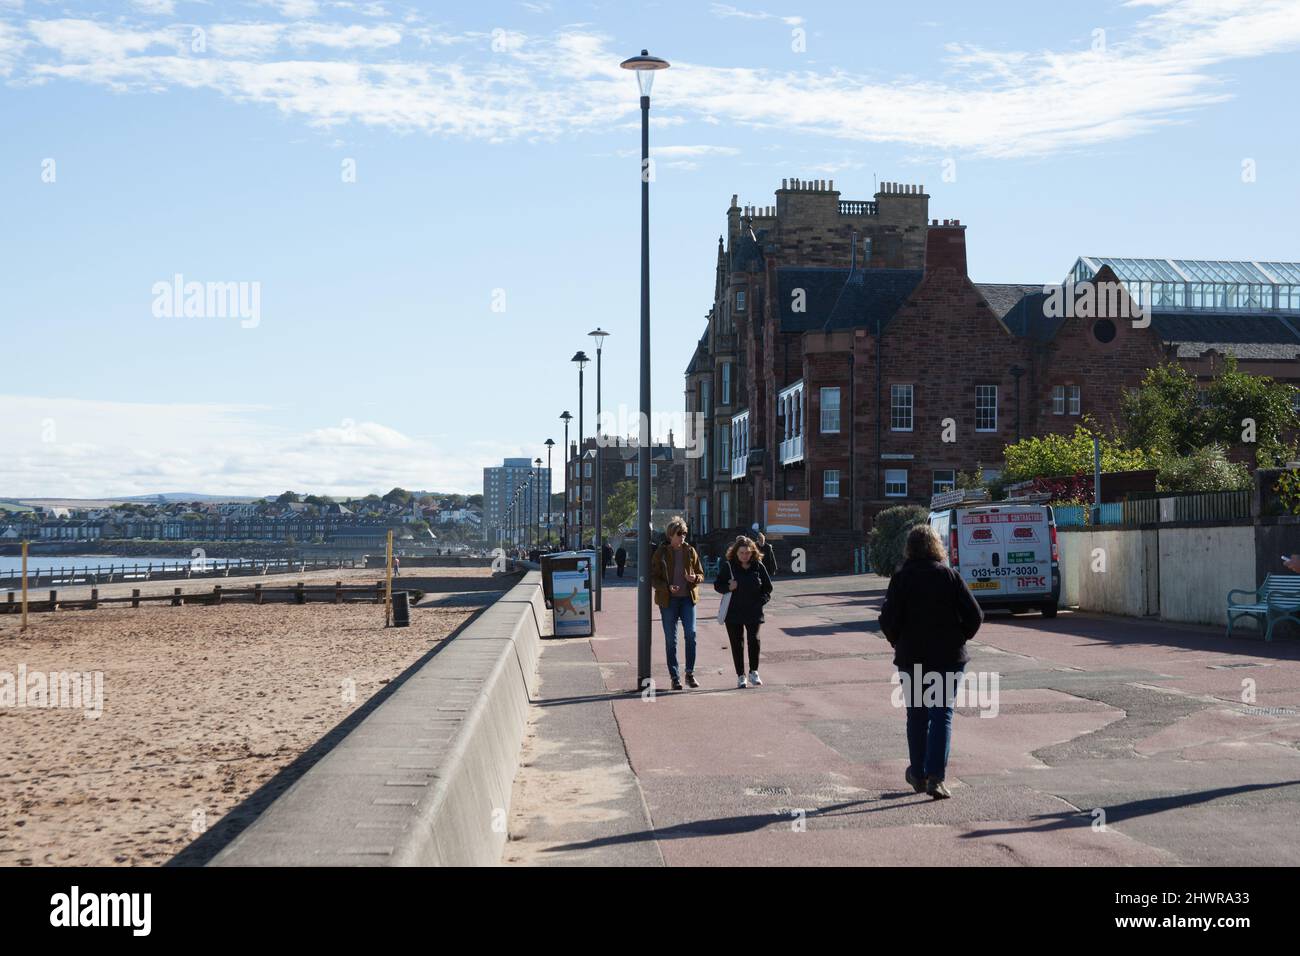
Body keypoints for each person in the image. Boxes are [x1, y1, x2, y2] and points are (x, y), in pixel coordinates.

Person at [879, 524, 982, 800]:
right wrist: (960, 637)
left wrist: (896, 641)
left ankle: (919, 774)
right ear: (937, 546)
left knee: (917, 715)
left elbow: (887, 620)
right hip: (948, 656)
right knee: (941, 714)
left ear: (909, 548)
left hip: (912, 657)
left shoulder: (901, 578)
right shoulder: (949, 576)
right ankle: (936, 777)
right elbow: (975, 616)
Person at [651, 516, 705, 690]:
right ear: (670, 535)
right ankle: (675, 677)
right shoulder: (661, 552)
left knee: (691, 634)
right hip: (669, 601)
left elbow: (701, 574)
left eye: (684, 534)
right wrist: (667, 587)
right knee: (671, 640)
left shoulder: (690, 551)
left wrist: (694, 578)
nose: (682, 537)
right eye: (679, 534)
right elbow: (653, 578)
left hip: (688, 599)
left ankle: (689, 673)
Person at [714, 535, 773, 689]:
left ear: (752, 552)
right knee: (736, 643)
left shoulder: (758, 566)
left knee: (754, 641)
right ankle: (741, 675)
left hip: (753, 611)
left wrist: (761, 601)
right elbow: (717, 585)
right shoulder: (729, 566)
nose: (744, 556)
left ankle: (754, 671)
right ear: (735, 553)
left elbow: (768, 588)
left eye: (747, 552)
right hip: (733, 612)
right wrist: (728, 587)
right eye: (741, 553)